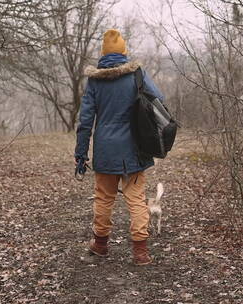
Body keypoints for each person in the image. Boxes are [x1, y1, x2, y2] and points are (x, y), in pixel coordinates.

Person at [74, 29, 164, 266]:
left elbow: (85, 122)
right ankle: (141, 252)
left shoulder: (95, 81)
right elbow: (158, 99)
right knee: (136, 198)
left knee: (104, 198)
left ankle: (101, 245)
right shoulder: (136, 75)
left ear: (103, 54)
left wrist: (81, 154)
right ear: (124, 51)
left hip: (105, 150)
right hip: (134, 149)